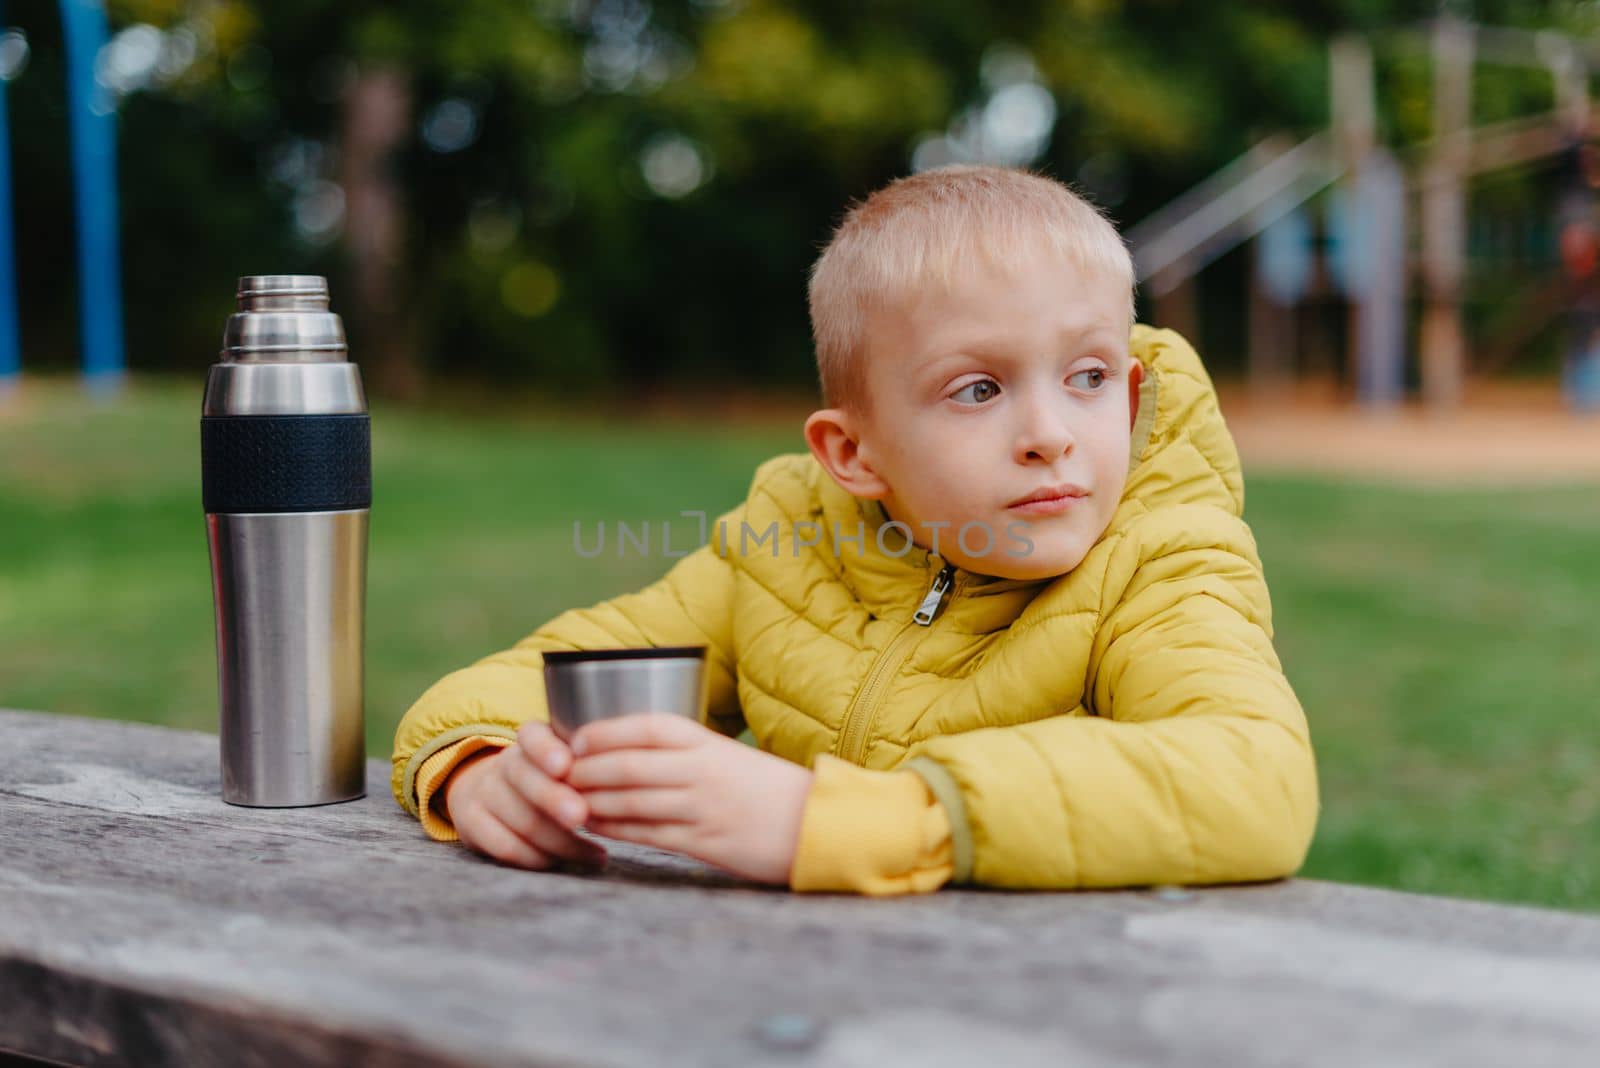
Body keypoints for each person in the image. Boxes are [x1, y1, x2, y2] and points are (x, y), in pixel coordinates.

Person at [390, 165, 1319, 896]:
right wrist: (486, 767)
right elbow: (542, 676)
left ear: (1130, 391)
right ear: (854, 454)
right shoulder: (788, 543)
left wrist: (848, 819)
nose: (1050, 436)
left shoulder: (1162, 562)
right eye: (979, 389)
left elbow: (1255, 780)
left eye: (1086, 377)